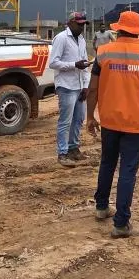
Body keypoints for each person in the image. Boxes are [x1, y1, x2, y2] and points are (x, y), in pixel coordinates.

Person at [87, 10, 139, 237]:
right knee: (128, 170)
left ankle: (101, 207)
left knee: (107, 163)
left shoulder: (104, 53)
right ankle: (121, 224)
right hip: (136, 122)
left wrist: (90, 116)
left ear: (118, 29)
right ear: (138, 31)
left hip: (110, 120)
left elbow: (92, 88)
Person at [49, 12, 92, 167]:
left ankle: (74, 148)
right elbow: (53, 63)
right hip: (66, 86)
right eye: (79, 24)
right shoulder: (61, 38)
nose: (82, 27)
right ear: (71, 23)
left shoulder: (81, 39)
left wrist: (86, 86)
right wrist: (74, 64)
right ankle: (62, 153)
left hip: (79, 85)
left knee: (79, 119)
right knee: (65, 121)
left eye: (83, 24)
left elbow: (85, 64)